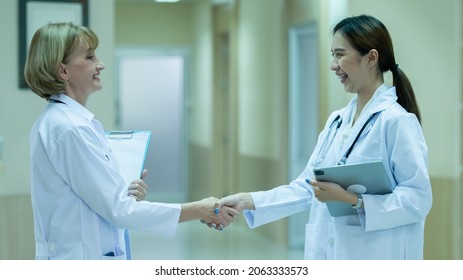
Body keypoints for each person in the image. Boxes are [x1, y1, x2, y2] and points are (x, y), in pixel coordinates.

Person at [218, 14, 432, 260]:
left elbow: (418, 199)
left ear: (371, 58)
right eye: (332, 54)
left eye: (340, 54)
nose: (333, 64)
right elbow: (308, 188)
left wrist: (354, 201)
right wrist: (247, 201)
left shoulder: (396, 121)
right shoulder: (337, 121)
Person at [25, 22, 238, 260]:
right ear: (63, 70)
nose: (101, 64)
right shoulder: (69, 128)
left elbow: (98, 198)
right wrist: (200, 209)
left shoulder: (69, 123)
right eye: (90, 57)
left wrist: (123, 191)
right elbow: (119, 210)